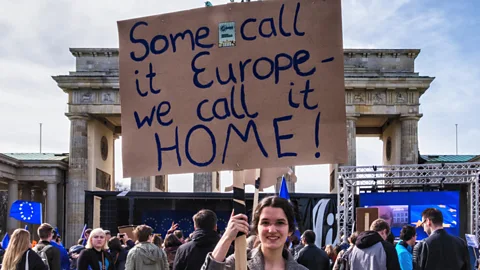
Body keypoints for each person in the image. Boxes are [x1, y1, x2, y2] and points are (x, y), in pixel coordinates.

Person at [202, 196, 308, 270]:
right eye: (265, 222)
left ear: (290, 230)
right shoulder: (239, 260)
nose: (271, 230)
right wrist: (227, 237)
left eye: (280, 223)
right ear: (257, 229)